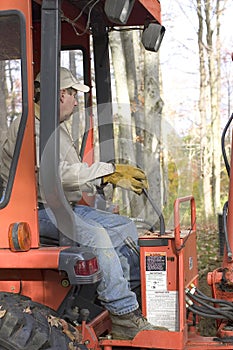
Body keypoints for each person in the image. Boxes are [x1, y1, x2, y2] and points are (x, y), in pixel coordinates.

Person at [1, 67, 166, 340]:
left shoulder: (54, 129)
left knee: (124, 226)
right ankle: (124, 315)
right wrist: (106, 170)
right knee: (97, 235)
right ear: (60, 94)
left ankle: (132, 297)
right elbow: (56, 173)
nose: (78, 102)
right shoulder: (29, 127)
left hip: (59, 205)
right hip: (34, 211)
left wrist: (104, 179)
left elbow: (71, 176)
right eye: (74, 95)